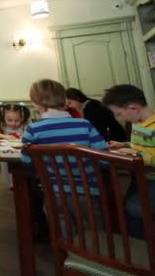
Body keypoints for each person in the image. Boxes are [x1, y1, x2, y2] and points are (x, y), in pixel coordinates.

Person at [21, 79, 109, 236]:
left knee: (61, 225)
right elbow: (104, 159)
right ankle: (93, 255)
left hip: (54, 192)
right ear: (64, 100)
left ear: (36, 103)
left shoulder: (33, 130)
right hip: (88, 192)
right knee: (93, 231)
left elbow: (27, 161)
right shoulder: (84, 124)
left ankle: (66, 253)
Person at [102, 84, 155, 239]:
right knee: (127, 208)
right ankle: (143, 241)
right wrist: (124, 145)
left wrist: (135, 153)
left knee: (135, 209)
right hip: (146, 179)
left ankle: (148, 245)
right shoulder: (138, 123)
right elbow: (146, 148)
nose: (119, 118)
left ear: (133, 108)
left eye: (119, 114)